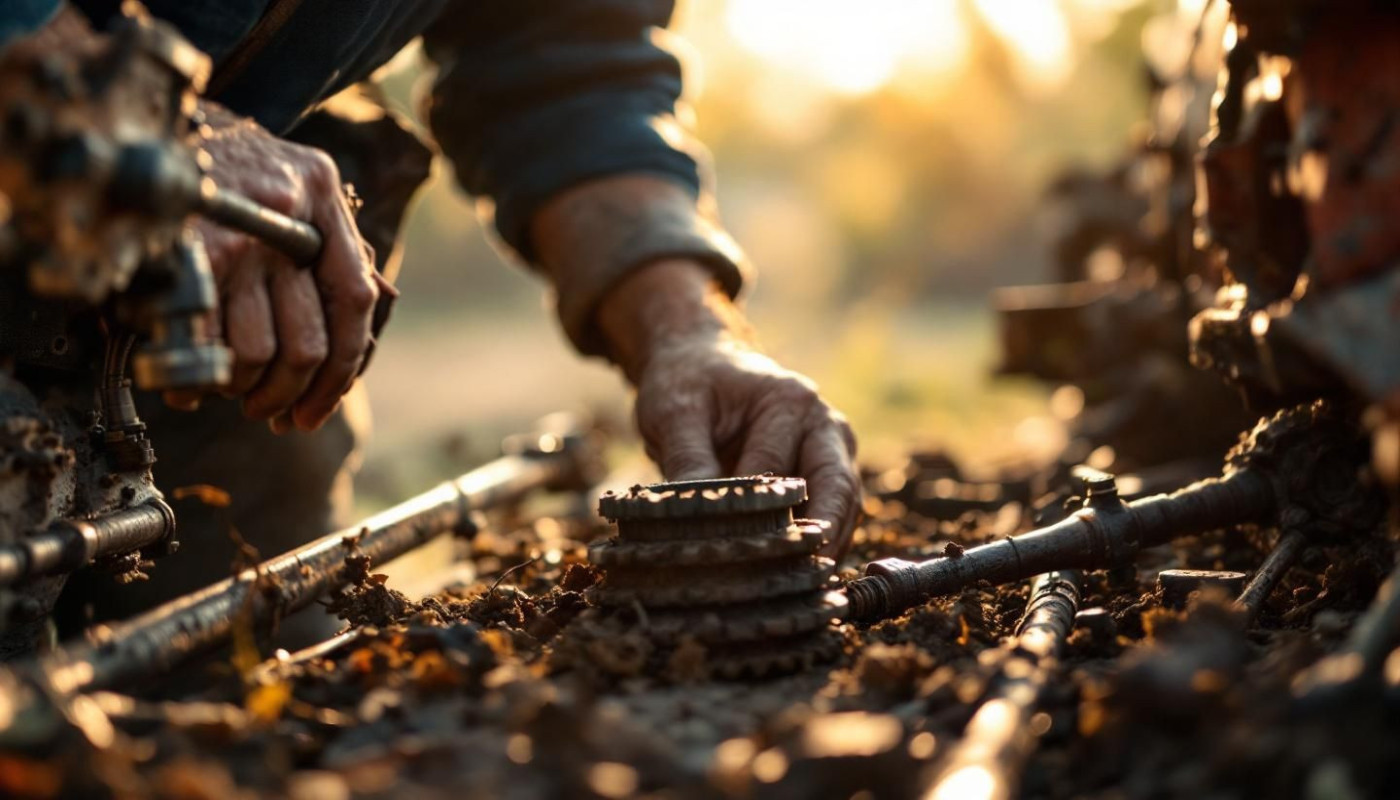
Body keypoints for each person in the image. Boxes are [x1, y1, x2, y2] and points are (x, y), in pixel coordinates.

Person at [1, 1, 862, 626]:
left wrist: (687, 332)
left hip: (228, 323)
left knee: (255, 681)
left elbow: (562, 68)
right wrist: (128, 119)